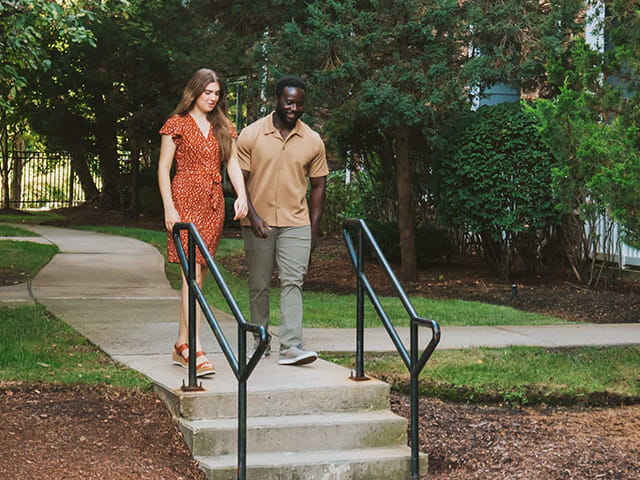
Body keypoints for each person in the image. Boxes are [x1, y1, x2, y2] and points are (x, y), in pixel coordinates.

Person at [158, 68, 248, 377]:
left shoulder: (223, 125)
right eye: (207, 92)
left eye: (216, 94)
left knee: (200, 274)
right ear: (194, 91)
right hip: (184, 201)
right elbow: (163, 169)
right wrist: (169, 208)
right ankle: (194, 349)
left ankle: (181, 344)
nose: (212, 98)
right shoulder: (176, 124)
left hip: (212, 204)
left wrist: (242, 195)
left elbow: (232, 162)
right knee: (189, 276)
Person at [237, 76, 328, 366]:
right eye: (288, 102)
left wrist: (312, 230)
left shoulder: (312, 140)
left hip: (296, 222)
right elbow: (239, 181)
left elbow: (319, 186)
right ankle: (260, 341)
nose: (294, 108)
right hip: (258, 221)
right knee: (259, 283)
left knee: (293, 282)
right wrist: (252, 216)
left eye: (299, 103)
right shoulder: (251, 135)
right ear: (276, 99)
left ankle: (291, 346)